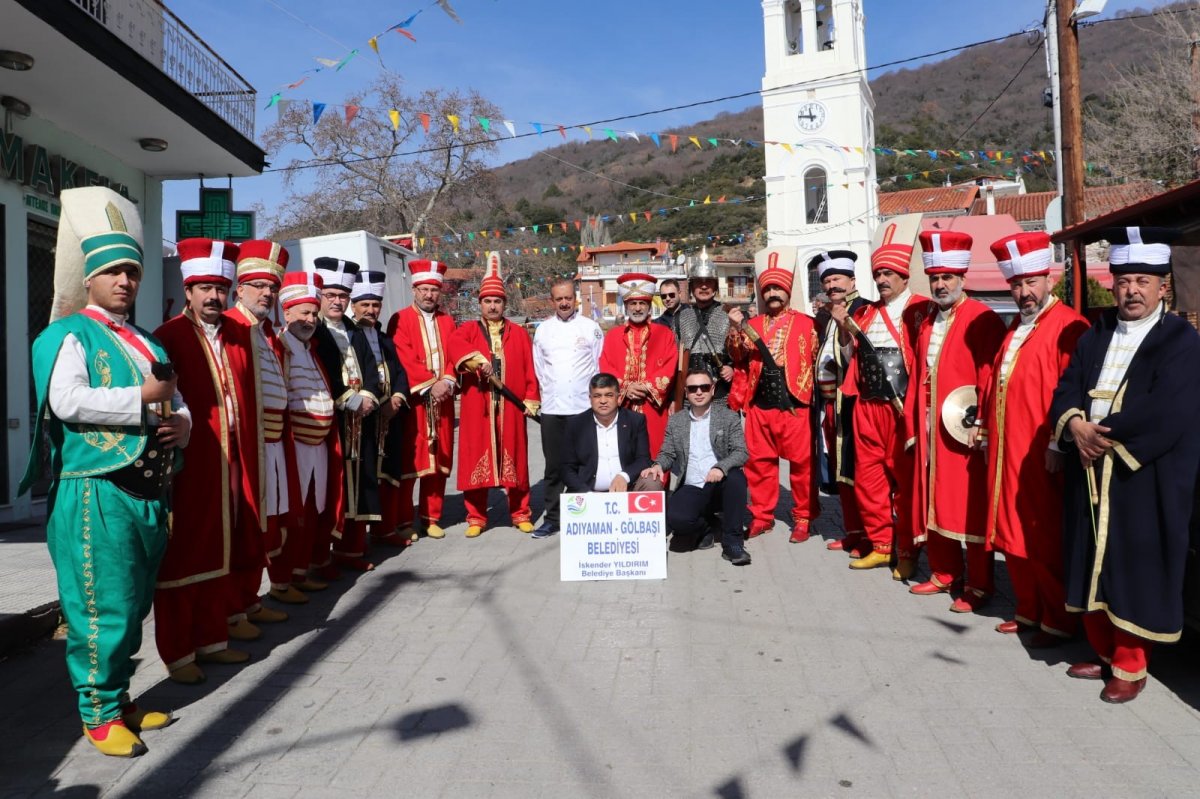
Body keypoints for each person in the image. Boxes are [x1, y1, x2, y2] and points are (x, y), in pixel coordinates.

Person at [21, 186, 190, 756]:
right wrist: (143, 398)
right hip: (95, 490)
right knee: (101, 608)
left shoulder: (144, 339)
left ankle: (120, 700)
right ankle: (97, 713)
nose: (124, 281)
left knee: (133, 604)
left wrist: (183, 424)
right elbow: (66, 401)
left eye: (132, 272)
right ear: (89, 278)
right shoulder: (65, 333)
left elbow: (176, 399)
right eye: (113, 272)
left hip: (147, 489)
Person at [1050, 226, 1200, 704]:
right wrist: (1075, 425)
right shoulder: (1096, 334)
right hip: (1090, 467)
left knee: (1134, 565)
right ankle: (1104, 651)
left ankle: (1131, 665)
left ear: (1162, 286)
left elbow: (1168, 409)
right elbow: (1067, 386)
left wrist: (1100, 437)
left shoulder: (1181, 340)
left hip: (1142, 475)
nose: (1132, 290)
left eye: (1142, 281)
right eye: (1123, 281)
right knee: (1091, 559)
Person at [979, 233, 1089, 646]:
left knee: (1042, 536)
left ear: (1049, 279)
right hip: (1008, 448)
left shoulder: (1069, 326)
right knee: (1011, 530)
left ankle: (1057, 619)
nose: (1024, 292)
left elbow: (1074, 392)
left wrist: (1058, 444)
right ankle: (1028, 609)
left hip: (1042, 450)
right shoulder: (1016, 326)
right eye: (1016, 284)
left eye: (1031, 282)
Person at [151, 238, 249, 686]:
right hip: (188, 464)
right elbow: (161, 404)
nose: (213, 296)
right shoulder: (168, 336)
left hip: (230, 460)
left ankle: (212, 638)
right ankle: (178, 651)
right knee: (184, 553)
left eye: (220, 288)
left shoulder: (234, 335)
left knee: (219, 546)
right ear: (188, 291)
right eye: (205, 288)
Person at [906, 230, 1007, 612]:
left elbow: (989, 375)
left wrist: (981, 424)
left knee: (969, 504)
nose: (940, 284)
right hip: (930, 424)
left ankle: (979, 584)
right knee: (933, 497)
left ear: (962, 278)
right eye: (935, 278)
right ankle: (945, 572)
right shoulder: (928, 320)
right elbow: (919, 372)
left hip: (964, 428)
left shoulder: (982, 318)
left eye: (947, 277)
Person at [835, 239, 927, 579]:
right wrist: (843, 328)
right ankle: (881, 545)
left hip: (901, 408)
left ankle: (908, 551)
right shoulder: (864, 313)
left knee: (904, 482)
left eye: (888, 273)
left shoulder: (921, 308)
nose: (882, 280)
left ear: (904, 275)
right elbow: (851, 357)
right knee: (868, 479)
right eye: (878, 274)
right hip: (867, 405)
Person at [222, 240, 297, 628]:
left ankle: (250, 600)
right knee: (245, 525)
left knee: (266, 524)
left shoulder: (267, 332)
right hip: (245, 446)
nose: (267, 293)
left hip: (272, 444)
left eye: (273, 287)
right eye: (259, 286)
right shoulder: (230, 327)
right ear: (240, 289)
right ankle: (233, 608)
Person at [726, 253, 819, 543]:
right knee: (759, 463)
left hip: (795, 404)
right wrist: (735, 328)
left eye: (778, 288)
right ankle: (762, 516)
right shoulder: (752, 323)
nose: (772, 293)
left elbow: (819, 360)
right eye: (767, 289)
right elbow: (737, 355)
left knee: (802, 465)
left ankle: (803, 518)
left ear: (788, 291)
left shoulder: (808, 324)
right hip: (759, 403)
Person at [449, 253, 540, 537]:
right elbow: (455, 346)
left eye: (497, 301)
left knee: (517, 458)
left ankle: (520, 513)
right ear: (480, 304)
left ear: (504, 304)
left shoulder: (519, 333)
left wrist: (531, 398)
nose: (492, 306)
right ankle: (476, 517)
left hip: (511, 407)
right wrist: (477, 361)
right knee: (476, 456)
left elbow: (530, 369)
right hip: (479, 408)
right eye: (487, 301)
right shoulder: (467, 330)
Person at [268, 272, 344, 604]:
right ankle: (281, 581)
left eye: (314, 313)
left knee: (313, 511)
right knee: (292, 514)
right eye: (304, 313)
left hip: (319, 446)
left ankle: (301, 572)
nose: (310, 320)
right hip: (293, 446)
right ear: (287, 312)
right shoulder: (280, 347)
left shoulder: (310, 349)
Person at [309, 257, 380, 574]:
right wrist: (348, 399)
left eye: (343, 296)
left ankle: (351, 550)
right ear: (321, 297)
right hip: (332, 422)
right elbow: (319, 371)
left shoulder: (356, 330)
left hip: (361, 421)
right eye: (331, 295)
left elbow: (372, 369)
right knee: (330, 489)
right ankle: (320, 557)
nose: (337, 302)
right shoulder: (313, 330)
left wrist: (368, 397)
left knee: (360, 484)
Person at [641, 368, 750, 566]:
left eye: (704, 387)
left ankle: (733, 543)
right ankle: (706, 527)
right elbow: (667, 453)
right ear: (686, 392)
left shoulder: (728, 417)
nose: (699, 392)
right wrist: (658, 465)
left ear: (713, 389)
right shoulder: (676, 421)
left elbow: (741, 452)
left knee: (736, 478)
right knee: (677, 520)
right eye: (693, 389)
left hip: (720, 485)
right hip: (692, 485)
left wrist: (721, 468)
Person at [386, 259, 456, 538]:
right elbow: (402, 356)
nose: (429, 295)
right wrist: (430, 384)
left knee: (439, 461)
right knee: (410, 462)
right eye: (424, 289)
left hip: (443, 401)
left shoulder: (447, 321)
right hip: (414, 403)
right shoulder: (400, 319)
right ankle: (403, 520)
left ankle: (431, 517)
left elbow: (455, 354)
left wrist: (447, 380)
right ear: (414, 290)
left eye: (434, 290)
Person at [531, 278, 602, 538]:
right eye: (559, 299)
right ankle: (552, 518)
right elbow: (539, 369)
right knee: (553, 467)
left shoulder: (591, 328)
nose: (564, 303)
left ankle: (579, 515)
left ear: (576, 299)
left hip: (582, 408)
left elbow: (598, 365)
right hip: (552, 408)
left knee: (584, 464)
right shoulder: (542, 331)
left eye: (568, 298)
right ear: (552, 301)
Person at [811, 250, 869, 556]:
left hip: (854, 402)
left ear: (852, 281)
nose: (832, 285)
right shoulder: (827, 314)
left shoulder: (863, 309)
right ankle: (853, 532)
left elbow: (862, 355)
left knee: (860, 471)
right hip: (831, 404)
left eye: (838, 279)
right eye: (827, 280)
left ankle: (872, 535)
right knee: (841, 471)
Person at [348, 270, 409, 552]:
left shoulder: (384, 339)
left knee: (389, 475)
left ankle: (385, 530)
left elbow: (400, 372)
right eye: (365, 305)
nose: (371, 310)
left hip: (389, 417)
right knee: (363, 478)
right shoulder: (348, 336)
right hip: (362, 418)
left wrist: (396, 398)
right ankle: (354, 543)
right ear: (353, 306)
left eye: (375, 305)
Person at [599, 273, 678, 457]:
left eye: (642, 303)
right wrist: (625, 387)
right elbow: (605, 366)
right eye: (633, 303)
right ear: (626, 306)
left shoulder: (664, 333)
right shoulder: (612, 336)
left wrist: (645, 387)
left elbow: (669, 365)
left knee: (656, 453)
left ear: (649, 305)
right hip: (622, 407)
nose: (637, 308)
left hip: (653, 407)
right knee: (623, 454)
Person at [562, 373, 653, 494]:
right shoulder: (575, 424)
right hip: (588, 492)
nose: (603, 401)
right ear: (590, 399)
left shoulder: (635, 421)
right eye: (597, 396)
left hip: (627, 489)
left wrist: (624, 476)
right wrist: (586, 493)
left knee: (652, 482)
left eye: (609, 395)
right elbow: (566, 468)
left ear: (618, 397)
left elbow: (643, 459)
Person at [673, 247, 733, 405]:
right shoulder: (681, 317)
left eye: (709, 282)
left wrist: (732, 368)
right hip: (690, 391)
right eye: (699, 282)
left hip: (720, 391)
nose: (704, 287)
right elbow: (673, 359)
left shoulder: (729, 314)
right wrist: (674, 398)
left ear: (715, 287)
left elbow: (741, 354)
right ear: (692, 287)